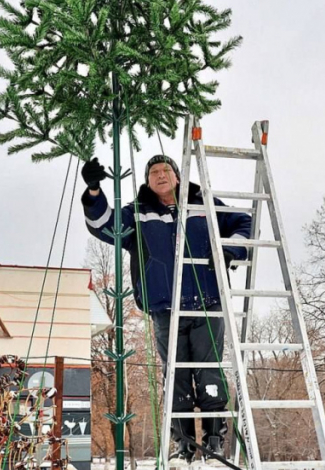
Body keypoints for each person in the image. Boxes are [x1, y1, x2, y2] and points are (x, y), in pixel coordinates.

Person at [81, 154, 252, 462]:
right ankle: (184, 444)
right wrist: (94, 191)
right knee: (175, 377)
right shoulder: (139, 213)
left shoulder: (202, 203)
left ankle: (214, 441)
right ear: (148, 181)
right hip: (165, 308)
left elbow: (244, 221)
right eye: (154, 172)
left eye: (166, 170)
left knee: (209, 372)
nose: (160, 175)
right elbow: (104, 225)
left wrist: (229, 249)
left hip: (206, 304)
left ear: (177, 176)